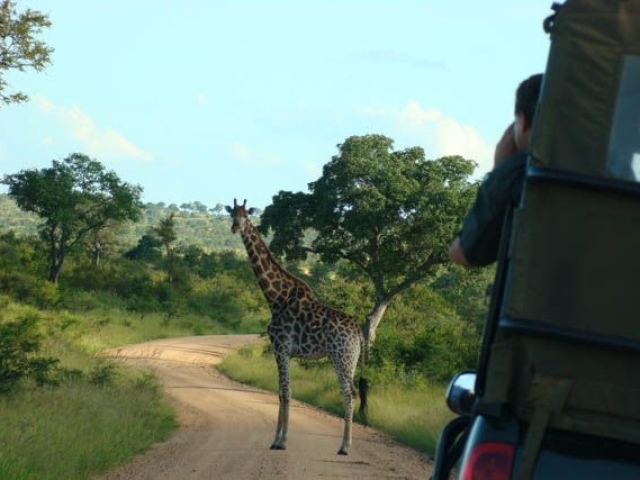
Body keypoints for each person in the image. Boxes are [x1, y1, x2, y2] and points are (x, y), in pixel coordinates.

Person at [449, 73, 544, 268]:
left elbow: (463, 254)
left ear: (523, 121)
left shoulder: (520, 170)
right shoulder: (613, 170)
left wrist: (499, 171)